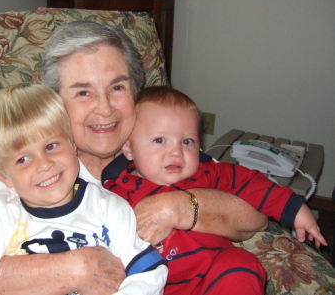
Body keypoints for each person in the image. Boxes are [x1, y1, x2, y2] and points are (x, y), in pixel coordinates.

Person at [0, 21, 269, 295]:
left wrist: (181, 206)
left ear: (135, 91)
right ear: (55, 103)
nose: (105, 109)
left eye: (117, 87)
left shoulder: (163, 149)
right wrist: (78, 267)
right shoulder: (33, 171)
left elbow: (255, 221)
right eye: (83, 92)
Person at [0, 83, 168, 295]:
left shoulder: (108, 207)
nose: (44, 164)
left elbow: (150, 271)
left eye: (51, 145)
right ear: (2, 176)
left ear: (73, 146)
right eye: (22, 159)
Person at [103, 85, 328, 294]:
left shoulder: (207, 172)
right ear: (129, 149)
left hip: (216, 277)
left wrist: (294, 209)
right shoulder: (117, 192)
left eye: (187, 141)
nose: (176, 152)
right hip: (158, 285)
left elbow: (251, 183)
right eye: (160, 140)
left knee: (242, 265)